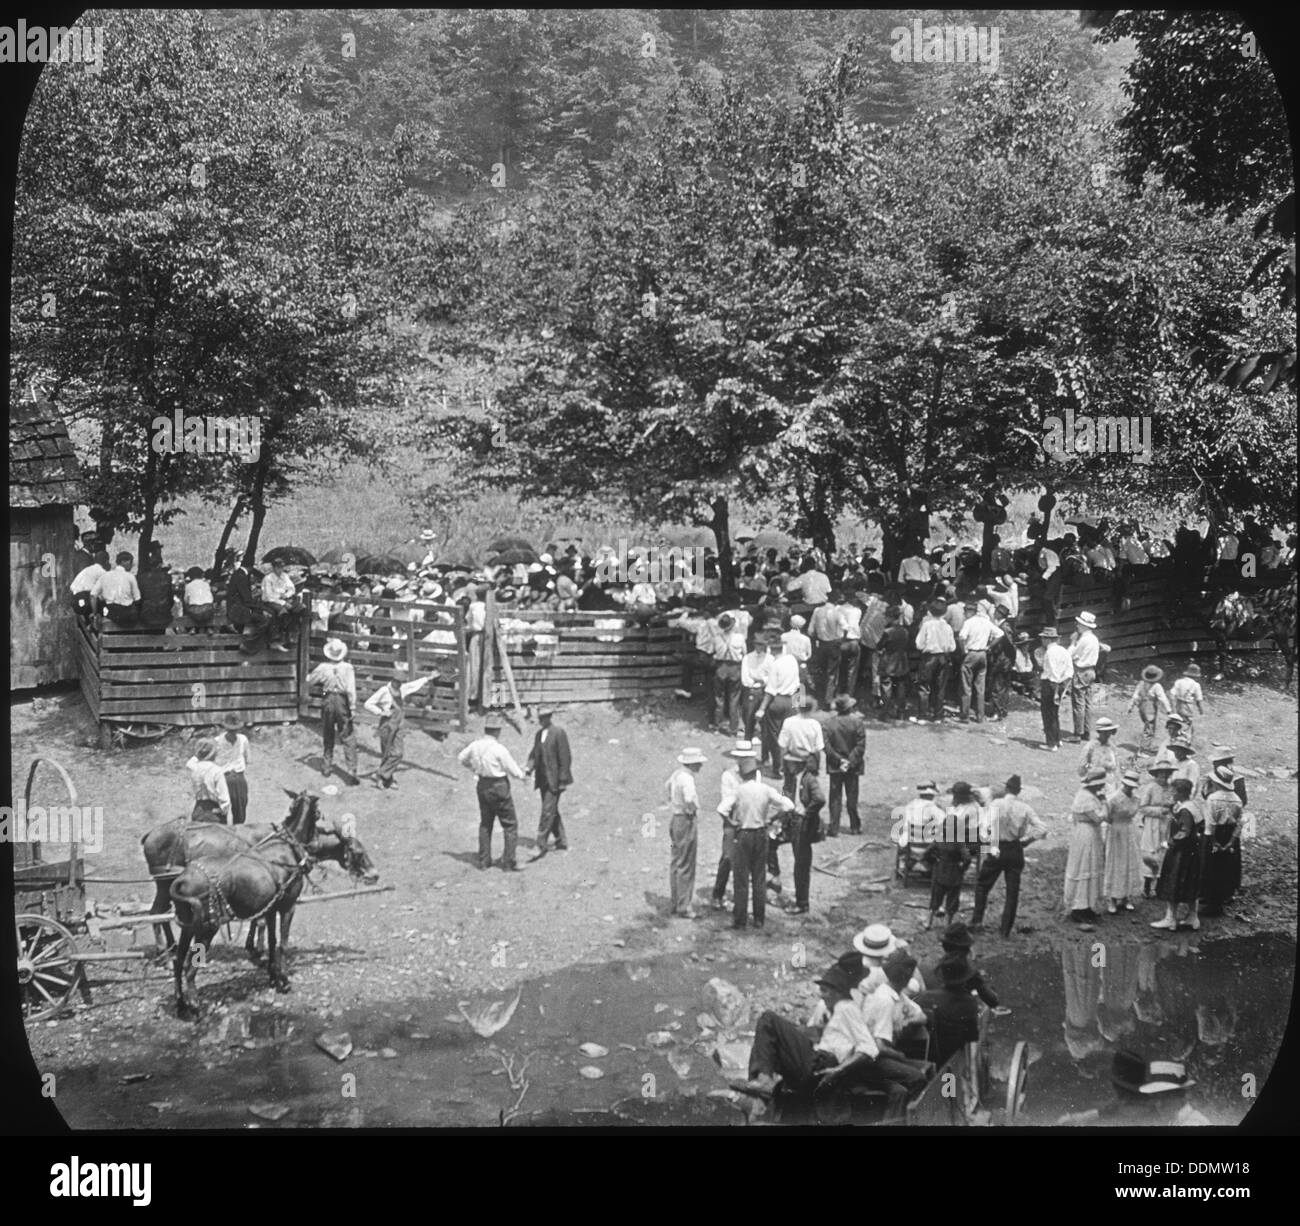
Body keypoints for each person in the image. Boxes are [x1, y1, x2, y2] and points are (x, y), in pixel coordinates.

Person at [731, 965, 883, 1106]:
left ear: (838, 992)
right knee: (770, 1039)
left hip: (822, 1063)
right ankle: (761, 1082)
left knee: (768, 1018)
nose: (821, 995)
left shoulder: (847, 1008)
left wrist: (840, 1070)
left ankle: (763, 1082)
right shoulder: (834, 1011)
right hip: (815, 1062)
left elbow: (869, 1048)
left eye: (825, 991)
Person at [719, 754, 794, 930]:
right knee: (759, 877)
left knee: (741, 878)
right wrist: (774, 818)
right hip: (761, 833)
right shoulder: (766, 789)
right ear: (756, 773)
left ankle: (740, 919)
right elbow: (788, 805)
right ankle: (759, 918)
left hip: (743, 833)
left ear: (743, 775)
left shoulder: (739, 790)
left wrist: (731, 822)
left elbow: (722, 809)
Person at [970, 775, 1047, 937]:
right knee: (1012, 892)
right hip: (1015, 848)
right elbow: (1041, 828)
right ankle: (1005, 930)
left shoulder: (996, 804)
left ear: (1006, 789)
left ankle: (977, 921)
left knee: (983, 885)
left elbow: (983, 826)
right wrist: (1027, 840)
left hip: (997, 846)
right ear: (1019, 791)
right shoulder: (1025, 808)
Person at [859, 952, 936, 1092]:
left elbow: (922, 1016)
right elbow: (879, 1047)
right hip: (869, 1060)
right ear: (906, 978)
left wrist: (908, 1022)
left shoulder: (896, 995)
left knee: (929, 1068)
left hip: (881, 1056)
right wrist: (900, 1057)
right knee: (917, 1077)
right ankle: (910, 1112)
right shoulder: (885, 1001)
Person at [458, 720, 527, 871]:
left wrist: (473, 769)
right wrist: (522, 775)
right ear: (497, 731)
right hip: (498, 786)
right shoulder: (499, 748)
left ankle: (484, 861)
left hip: (482, 785)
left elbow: (461, 758)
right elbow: (512, 769)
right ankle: (509, 862)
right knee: (510, 824)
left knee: (485, 823)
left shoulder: (475, 745)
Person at [364, 671, 436, 789]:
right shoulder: (384, 690)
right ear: (392, 680)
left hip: (399, 724)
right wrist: (381, 712)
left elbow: (414, 685)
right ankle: (387, 779)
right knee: (387, 753)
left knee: (398, 753)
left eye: (400, 682)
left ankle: (380, 774)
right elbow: (368, 704)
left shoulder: (402, 689)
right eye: (396, 681)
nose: (397, 684)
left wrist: (428, 678)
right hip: (387, 724)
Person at [1151, 778, 1203, 931]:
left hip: (1181, 853)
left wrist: (1170, 843)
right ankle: (1193, 917)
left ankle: (1170, 918)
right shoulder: (1194, 805)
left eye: (1173, 791)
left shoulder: (1185, 810)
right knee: (1190, 883)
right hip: (1193, 852)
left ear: (1180, 792)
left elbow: (1184, 832)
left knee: (1173, 882)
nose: (1171, 793)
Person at [913, 956, 983, 1067]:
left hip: (928, 1053)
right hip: (951, 1057)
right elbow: (972, 1036)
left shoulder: (924, 997)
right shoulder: (970, 1003)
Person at [306, 638, 359, 782]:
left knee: (328, 732)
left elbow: (310, 681)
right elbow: (351, 689)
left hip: (328, 700)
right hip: (342, 701)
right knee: (347, 734)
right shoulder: (348, 668)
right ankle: (351, 769)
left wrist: (310, 677)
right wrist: (352, 707)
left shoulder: (323, 667)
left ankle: (326, 766)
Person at [924, 781, 976, 929]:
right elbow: (967, 858)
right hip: (955, 872)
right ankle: (948, 924)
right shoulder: (958, 843)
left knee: (935, 897)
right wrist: (963, 868)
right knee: (952, 899)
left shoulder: (939, 839)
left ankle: (929, 922)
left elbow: (926, 854)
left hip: (941, 869)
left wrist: (933, 863)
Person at [711, 740, 756, 910]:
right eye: (740, 757)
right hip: (732, 817)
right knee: (728, 857)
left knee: (749, 857)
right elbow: (727, 800)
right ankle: (717, 894)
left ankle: (743, 896)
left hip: (748, 818)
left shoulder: (754, 774)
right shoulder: (728, 776)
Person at [1197, 758, 1244, 917]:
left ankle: (1210, 901)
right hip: (1229, 834)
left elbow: (1210, 825)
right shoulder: (1236, 799)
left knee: (1209, 866)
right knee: (1224, 868)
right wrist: (1230, 842)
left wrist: (1214, 842)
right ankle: (1221, 899)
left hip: (1215, 834)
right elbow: (1240, 823)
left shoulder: (1213, 798)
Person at [1063, 768, 1109, 925]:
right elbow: (1099, 818)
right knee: (1084, 865)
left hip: (1090, 833)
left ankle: (1088, 905)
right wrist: (1104, 803)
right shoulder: (1086, 798)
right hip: (1085, 834)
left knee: (1092, 865)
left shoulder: (1090, 795)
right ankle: (1079, 907)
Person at [665, 747, 706, 918]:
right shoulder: (687, 779)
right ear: (693, 763)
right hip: (685, 819)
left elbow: (667, 787)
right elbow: (689, 799)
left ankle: (676, 901)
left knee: (676, 861)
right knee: (686, 863)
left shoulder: (676, 774)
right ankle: (684, 905)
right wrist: (692, 809)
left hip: (675, 817)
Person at [526, 707, 573, 858]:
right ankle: (561, 841)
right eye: (540, 718)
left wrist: (563, 780)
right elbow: (534, 754)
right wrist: (529, 768)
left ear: (549, 717)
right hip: (542, 779)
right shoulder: (539, 734)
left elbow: (565, 758)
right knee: (551, 811)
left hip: (555, 780)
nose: (541, 721)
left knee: (547, 811)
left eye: (544, 718)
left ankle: (540, 845)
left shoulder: (558, 733)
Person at [783, 751, 825, 915]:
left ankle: (802, 903)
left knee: (801, 864)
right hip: (794, 822)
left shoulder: (808, 779)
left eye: (791, 763)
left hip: (803, 826)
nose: (788, 766)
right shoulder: (795, 779)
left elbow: (820, 799)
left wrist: (806, 813)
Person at [756, 636, 801, 776]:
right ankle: (790, 765)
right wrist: (799, 705)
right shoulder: (792, 660)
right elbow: (799, 683)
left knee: (774, 736)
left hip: (777, 701)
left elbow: (770, 690)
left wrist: (762, 709)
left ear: (770, 649)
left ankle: (778, 768)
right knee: (789, 734)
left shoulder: (776, 664)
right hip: (792, 701)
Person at [822, 694, 866, 837]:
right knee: (852, 797)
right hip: (853, 767)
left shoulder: (828, 723)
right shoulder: (857, 722)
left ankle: (834, 828)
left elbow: (826, 746)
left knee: (835, 797)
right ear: (850, 708)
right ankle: (854, 826)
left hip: (835, 766)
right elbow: (860, 745)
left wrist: (839, 760)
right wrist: (849, 761)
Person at [1103, 769, 1144, 914]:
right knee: (1116, 863)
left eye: (1132, 786)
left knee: (1129, 862)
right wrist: (1115, 826)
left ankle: (1126, 897)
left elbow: (1134, 814)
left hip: (1130, 830)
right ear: (1123, 784)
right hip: (1116, 831)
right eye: (1127, 785)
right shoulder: (1113, 799)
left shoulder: (1136, 799)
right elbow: (1107, 817)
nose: (1130, 788)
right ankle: (1112, 899)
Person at [931, 922, 999, 1006]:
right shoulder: (969, 973)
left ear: (945, 946)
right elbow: (992, 1001)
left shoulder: (933, 968)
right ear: (966, 949)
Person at [1136, 759, 1176, 897]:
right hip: (1152, 824)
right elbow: (1143, 808)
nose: (1164, 778)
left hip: (1166, 824)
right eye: (1161, 775)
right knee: (1150, 852)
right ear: (1156, 775)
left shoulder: (1171, 788)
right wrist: (1159, 810)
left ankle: (1159, 886)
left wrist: (1172, 809)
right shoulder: (1150, 788)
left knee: (1162, 853)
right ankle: (1146, 886)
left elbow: (1174, 804)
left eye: (1166, 775)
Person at [957, 599, 1001, 722]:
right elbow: (999, 634)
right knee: (980, 686)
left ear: (969, 611)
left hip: (971, 653)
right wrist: (989, 646)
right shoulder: (985, 622)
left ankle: (965, 715)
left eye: (965, 611)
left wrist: (963, 650)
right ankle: (980, 715)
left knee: (966, 685)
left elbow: (961, 637)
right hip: (982, 654)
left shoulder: (969, 622)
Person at [912, 600, 956, 724]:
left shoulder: (927, 625)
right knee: (940, 687)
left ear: (930, 611)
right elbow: (952, 647)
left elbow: (919, 644)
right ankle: (938, 716)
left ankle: (922, 716)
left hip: (929, 658)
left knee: (924, 686)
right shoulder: (947, 627)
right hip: (943, 658)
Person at [776, 696, 824, 796]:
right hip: (809, 760)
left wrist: (781, 763)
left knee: (788, 788)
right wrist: (818, 765)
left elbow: (782, 745)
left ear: (798, 707)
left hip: (791, 759)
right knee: (807, 789)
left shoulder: (789, 722)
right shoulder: (815, 724)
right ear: (812, 708)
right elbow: (819, 748)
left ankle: (788, 809)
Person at [1035, 626, 1073, 750]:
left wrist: (1055, 687)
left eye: (1043, 638)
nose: (1042, 640)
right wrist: (1063, 685)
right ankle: (1057, 739)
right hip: (1061, 683)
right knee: (1054, 713)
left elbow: (1053, 672)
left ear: (1047, 639)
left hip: (1051, 683)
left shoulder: (1049, 653)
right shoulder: (1064, 650)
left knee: (1047, 713)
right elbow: (1069, 671)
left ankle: (1051, 743)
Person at [668, 604, 716, 702]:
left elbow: (682, 622)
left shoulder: (700, 624)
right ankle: (710, 695)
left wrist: (686, 613)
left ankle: (686, 689)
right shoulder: (718, 624)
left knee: (687, 663)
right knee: (709, 673)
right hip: (713, 658)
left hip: (701, 656)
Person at [211, 713, 251, 825]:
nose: (233, 732)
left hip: (238, 778)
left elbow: (247, 758)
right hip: (223, 778)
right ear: (225, 728)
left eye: (236, 729)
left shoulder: (243, 739)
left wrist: (238, 771)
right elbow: (211, 762)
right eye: (230, 729)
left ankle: (237, 834)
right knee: (221, 810)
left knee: (240, 810)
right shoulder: (217, 741)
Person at [711, 613, 746, 736]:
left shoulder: (716, 638)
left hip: (721, 667)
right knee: (734, 698)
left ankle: (716, 726)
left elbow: (713, 652)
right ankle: (733, 728)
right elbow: (744, 653)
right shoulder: (740, 638)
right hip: (735, 667)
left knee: (719, 698)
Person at [1068, 611, 1101, 740]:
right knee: (1087, 702)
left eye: (1080, 624)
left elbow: (1071, 654)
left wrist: (1072, 642)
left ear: (1085, 626)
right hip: (1091, 671)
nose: (1077, 625)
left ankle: (1077, 733)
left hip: (1081, 670)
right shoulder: (1094, 639)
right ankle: (1087, 731)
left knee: (1078, 703)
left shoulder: (1083, 640)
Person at [808, 595, 842, 709]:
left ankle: (819, 698)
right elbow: (845, 627)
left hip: (821, 644)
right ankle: (828, 700)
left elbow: (810, 631)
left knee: (820, 671)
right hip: (833, 643)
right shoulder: (837, 611)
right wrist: (839, 639)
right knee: (831, 673)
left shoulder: (817, 610)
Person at [1126, 664, 1171, 750]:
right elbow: (1163, 698)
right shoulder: (1157, 686)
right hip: (1150, 707)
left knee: (1147, 725)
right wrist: (1168, 710)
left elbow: (1135, 696)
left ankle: (1146, 745)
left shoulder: (1141, 684)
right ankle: (1144, 749)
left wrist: (1130, 707)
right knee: (1150, 727)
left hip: (1142, 706)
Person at [186, 739, 232, 823]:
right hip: (213, 811)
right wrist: (223, 811)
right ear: (213, 754)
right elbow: (224, 798)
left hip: (198, 808)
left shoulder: (194, 768)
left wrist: (200, 750)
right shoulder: (217, 771)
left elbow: (190, 762)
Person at [90, 552, 142, 626]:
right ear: (123, 562)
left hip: (111, 612)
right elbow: (137, 599)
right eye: (131, 562)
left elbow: (93, 595)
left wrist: (94, 614)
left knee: (102, 605)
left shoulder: (105, 576)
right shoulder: (131, 577)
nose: (131, 565)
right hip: (128, 615)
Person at [878, 607, 911, 720]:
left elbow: (879, 646)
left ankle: (885, 713)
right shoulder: (905, 631)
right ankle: (901, 712)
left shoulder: (888, 632)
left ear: (891, 617)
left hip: (888, 661)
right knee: (901, 687)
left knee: (886, 687)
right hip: (902, 661)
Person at [261, 558, 297, 651]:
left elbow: (292, 589)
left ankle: (289, 638)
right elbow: (269, 596)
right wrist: (283, 602)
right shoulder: (268, 579)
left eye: (281, 567)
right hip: (270, 602)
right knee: (282, 612)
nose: (280, 570)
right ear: (273, 567)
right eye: (278, 567)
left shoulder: (285, 576)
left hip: (282, 600)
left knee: (296, 610)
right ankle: (275, 639)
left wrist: (286, 595)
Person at [738, 638, 770, 743]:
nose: (759, 647)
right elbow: (745, 678)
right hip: (752, 690)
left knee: (765, 719)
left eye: (762, 645)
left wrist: (762, 680)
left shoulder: (770, 659)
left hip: (765, 691)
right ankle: (748, 741)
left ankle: (763, 740)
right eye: (757, 644)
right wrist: (755, 682)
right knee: (749, 717)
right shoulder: (747, 658)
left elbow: (771, 677)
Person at [1077, 716, 1121, 790]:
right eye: (1105, 732)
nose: (1107, 734)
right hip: (1095, 783)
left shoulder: (1112, 747)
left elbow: (1116, 767)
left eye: (1109, 731)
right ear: (1100, 732)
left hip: (1111, 783)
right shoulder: (1090, 747)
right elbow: (1081, 768)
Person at [137, 552, 175, 636]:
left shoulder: (141, 578)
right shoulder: (167, 577)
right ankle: (159, 647)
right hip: (164, 614)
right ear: (160, 564)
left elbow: (140, 598)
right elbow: (171, 599)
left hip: (147, 615)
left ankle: (151, 647)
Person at [70, 550, 109, 620]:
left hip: (75, 600)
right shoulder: (102, 572)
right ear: (106, 561)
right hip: (85, 599)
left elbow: (72, 587)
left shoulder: (87, 569)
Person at [1168, 664, 1205, 739]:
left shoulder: (1179, 682)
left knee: (1177, 721)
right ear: (1196, 676)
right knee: (1188, 724)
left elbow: (1171, 694)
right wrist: (1201, 711)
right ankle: (1185, 740)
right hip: (1188, 707)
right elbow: (1199, 700)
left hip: (1178, 705)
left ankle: (1174, 737)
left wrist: (1173, 708)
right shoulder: (1196, 685)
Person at [780, 614, 813, 694]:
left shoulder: (783, 636)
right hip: (800, 664)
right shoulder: (806, 639)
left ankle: (789, 704)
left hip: (787, 664)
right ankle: (799, 704)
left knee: (789, 685)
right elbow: (809, 655)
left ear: (790, 624)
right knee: (800, 685)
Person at [182, 566, 216, 632]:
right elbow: (211, 598)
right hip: (207, 610)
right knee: (209, 608)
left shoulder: (188, 586)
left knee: (188, 608)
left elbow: (186, 600)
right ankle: (209, 628)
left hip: (195, 612)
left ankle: (192, 628)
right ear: (201, 575)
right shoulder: (206, 584)